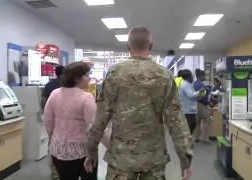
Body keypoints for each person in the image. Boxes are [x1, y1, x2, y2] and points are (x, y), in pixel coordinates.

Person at [85, 26, 193, 180]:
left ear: (128, 46)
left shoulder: (115, 73)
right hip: (153, 159)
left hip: (121, 159)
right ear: (151, 46)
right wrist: (185, 158)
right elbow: (176, 120)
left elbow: (101, 117)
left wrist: (91, 151)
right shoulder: (164, 75)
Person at [43, 62, 109, 180]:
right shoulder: (86, 97)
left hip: (58, 150)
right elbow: (94, 127)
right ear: (77, 78)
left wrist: (52, 139)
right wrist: (110, 145)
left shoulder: (55, 93)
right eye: (86, 75)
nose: (89, 78)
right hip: (82, 151)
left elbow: (48, 121)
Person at [179, 69, 205, 134]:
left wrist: (199, 96)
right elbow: (191, 95)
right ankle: (187, 140)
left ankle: (188, 140)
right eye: (191, 76)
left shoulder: (187, 84)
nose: (193, 77)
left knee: (192, 125)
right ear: (188, 77)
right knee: (190, 126)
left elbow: (192, 95)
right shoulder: (185, 85)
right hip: (187, 110)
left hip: (190, 109)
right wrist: (200, 91)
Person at [193, 69, 212, 143]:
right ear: (201, 76)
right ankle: (205, 138)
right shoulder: (201, 85)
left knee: (197, 121)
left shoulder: (194, 84)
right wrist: (208, 103)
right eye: (204, 75)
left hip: (194, 104)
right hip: (201, 105)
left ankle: (196, 137)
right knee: (207, 120)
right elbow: (202, 97)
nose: (205, 77)